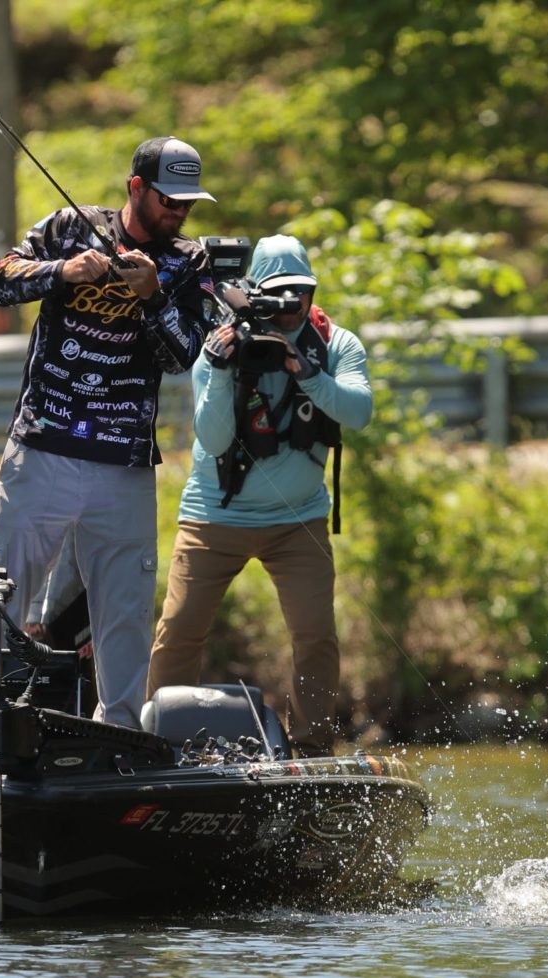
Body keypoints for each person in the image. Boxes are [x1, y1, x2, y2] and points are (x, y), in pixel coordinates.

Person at [0, 135, 214, 730]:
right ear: (137, 188)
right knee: (1, 595)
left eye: (188, 204)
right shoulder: (67, 226)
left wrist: (154, 297)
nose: (179, 213)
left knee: (126, 612)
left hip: (124, 462)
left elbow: (182, 355)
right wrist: (64, 272)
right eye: (169, 200)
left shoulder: (190, 263)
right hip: (42, 449)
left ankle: (122, 734)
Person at [147, 235, 372, 757]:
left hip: (299, 523)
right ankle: (154, 742)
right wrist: (223, 370)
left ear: (314, 293)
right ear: (253, 294)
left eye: (301, 295)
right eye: (278, 296)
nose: (290, 308)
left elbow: (358, 412)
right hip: (213, 519)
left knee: (316, 635)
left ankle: (312, 747)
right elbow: (216, 438)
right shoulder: (219, 347)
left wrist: (308, 373)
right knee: (179, 630)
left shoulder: (337, 345)